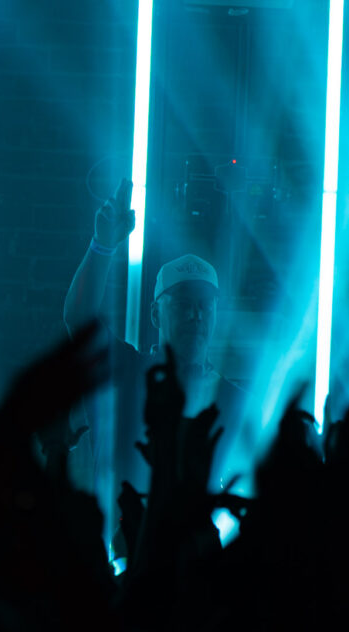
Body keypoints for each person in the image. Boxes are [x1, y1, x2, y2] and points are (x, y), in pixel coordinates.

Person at [63, 179, 244, 507]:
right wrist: (102, 246)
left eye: (205, 305)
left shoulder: (233, 401)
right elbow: (79, 319)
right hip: (126, 538)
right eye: (182, 303)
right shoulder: (125, 373)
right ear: (155, 314)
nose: (195, 314)